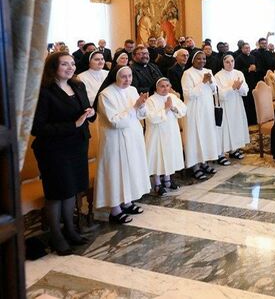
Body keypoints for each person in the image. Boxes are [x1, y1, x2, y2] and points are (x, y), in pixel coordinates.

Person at [32, 52, 96, 255]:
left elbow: (86, 111)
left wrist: (90, 114)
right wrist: (73, 125)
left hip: (77, 146)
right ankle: (56, 236)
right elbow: (37, 128)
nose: (70, 68)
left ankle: (70, 229)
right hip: (53, 150)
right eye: (64, 64)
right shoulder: (44, 91)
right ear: (53, 67)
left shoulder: (78, 86)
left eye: (72, 64)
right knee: (56, 192)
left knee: (71, 189)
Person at [94, 66, 151, 224]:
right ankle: (115, 209)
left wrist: (141, 105)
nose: (127, 80)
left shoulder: (132, 90)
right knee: (116, 172)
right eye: (123, 76)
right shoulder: (105, 94)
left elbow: (141, 115)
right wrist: (134, 107)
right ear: (115, 77)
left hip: (133, 137)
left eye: (130, 76)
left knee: (130, 169)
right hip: (115, 140)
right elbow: (115, 121)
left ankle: (127, 201)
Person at [145, 78, 186, 196]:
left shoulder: (172, 97)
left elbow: (183, 110)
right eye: (162, 86)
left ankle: (167, 180)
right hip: (156, 134)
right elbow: (151, 118)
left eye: (167, 86)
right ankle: (157, 183)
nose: (165, 88)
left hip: (171, 132)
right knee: (157, 157)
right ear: (156, 88)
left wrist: (173, 108)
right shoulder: (150, 100)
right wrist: (166, 109)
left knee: (169, 156)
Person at [181, 51, 219, 180]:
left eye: (203, 59)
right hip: (194, 110)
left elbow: (214, 90)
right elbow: (189, 95)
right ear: (193, 60)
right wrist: (203, 82)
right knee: (195, 138)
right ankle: (195, 166)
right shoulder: (187, 74)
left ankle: (204, 162)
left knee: (206, 135)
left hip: (207, 109)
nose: (202, 61)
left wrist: (210, 82)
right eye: (198, 59)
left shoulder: (208, 71)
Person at [214, 55, 250, 165]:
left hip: (237, 105)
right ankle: (220, 154)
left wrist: (239, 88)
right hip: (225, 107)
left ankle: (234, 149)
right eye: (227, 62)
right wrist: (232, 88)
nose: (230, 64)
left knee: (236, 127)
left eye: (232, 61)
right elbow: (220, 95)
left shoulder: (238, 73)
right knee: (224, 130)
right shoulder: (218, 76)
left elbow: (246, 90)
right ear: (223, 63)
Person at [234, 42, 259, 125]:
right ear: (242, 49)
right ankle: (247, 121)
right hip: (244, 83)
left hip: (253, 82)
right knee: (247, 102)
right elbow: (237, 71)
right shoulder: (238, 59)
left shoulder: (253, 57)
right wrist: (248, 69)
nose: (247, 49)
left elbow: (257, 68)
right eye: (245, 48)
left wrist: (255, 69)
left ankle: (254, 120)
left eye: (248, 48)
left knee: (253, 101)